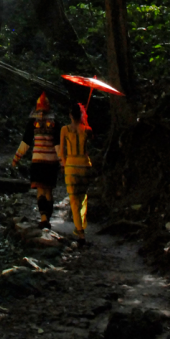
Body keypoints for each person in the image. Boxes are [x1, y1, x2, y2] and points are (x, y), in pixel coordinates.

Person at [11, 91, 60, 230]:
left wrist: (17, 158)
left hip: (38, 161)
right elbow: (58, 145)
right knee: (49, 191)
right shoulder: (55, 123)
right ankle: (47, 218)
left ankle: (43, 218)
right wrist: (62, 161)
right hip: (52, 162)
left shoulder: (33, 122)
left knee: (40, 190)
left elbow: (25, 142)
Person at [58, 101, 92, 246]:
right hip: (84, 165)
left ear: (71, 115)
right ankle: (81, 229)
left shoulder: (65, 129)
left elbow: (62, 151)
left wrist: (63, 164)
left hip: (71, 166)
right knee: (83, 198)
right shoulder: (87, 129)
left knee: (73, 200)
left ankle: (80, 233)